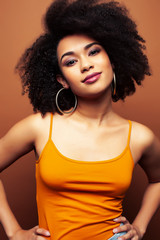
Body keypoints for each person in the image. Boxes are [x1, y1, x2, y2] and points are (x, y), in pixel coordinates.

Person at [0, 0, 160, 239]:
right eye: (71, 61)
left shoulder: (140, 136)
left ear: (112, 60)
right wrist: (14, 232)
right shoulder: (40, 127)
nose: (86, 65)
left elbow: (158, 181)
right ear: (62, 80)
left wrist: (140, 226)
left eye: (94, 51)